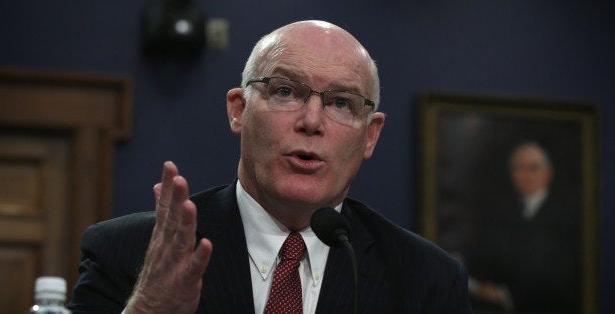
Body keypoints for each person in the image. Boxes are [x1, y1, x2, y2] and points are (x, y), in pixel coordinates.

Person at [67, 20, 472, 314]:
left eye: (341, 103)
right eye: (284, 91)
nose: (312, 122)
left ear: (370, 136)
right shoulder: (127, 254)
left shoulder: (426, 281)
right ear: (238, 110)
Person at [468, 141, 581, 313]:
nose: (526, 175)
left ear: (548, 173)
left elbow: (560, 277)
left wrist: (505, 295)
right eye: (519, 168)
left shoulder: (566, 217)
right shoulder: (502, 213)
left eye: (533, 168)